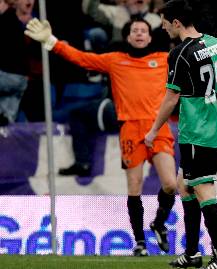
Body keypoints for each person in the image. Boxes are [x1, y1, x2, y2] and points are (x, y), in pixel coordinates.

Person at [25, 17, 177, 257]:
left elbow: (193, 59)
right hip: (130, 128)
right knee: (134, 186)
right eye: (134, 30)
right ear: (128, 37)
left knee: (170, 184)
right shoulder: (115, 60)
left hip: (158, 128)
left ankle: (159, 223)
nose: (139, 34)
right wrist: (52, 41)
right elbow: (81, 58)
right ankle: (139, 242)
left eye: (143, 31)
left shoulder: (163, 60)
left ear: (149, 37)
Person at [144, 0, 217, 268]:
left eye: (165, 21)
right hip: (208, 128)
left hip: (200, 131)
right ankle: (192, 253)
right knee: (183, 185)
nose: (162, 26)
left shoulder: (179, 53)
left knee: (202, 187)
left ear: (177, 22)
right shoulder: (215, 43)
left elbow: (171, 98)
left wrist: (153, 130)